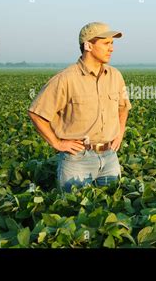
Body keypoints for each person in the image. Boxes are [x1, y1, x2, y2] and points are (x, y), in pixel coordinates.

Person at [27, 22, 132, 192]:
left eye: (112, 43)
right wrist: (57, 143)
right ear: (88, 45)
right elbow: (36, 113)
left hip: (110, 157)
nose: (111, 48)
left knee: (111, 209)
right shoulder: (66, 78)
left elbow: (123, 107)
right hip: (78, 160)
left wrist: (120, 133)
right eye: (106, 43)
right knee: (74, 212)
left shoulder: (115, 76)